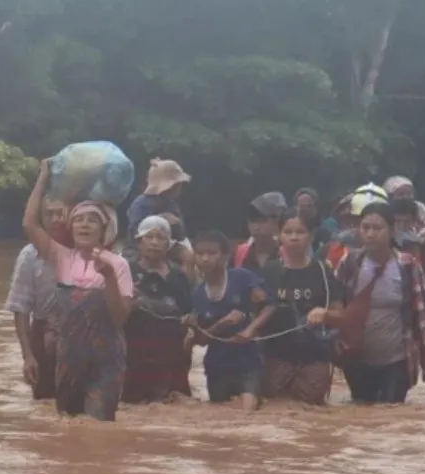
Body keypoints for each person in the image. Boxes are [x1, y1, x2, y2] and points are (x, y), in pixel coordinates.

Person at [23, 160, 133, 421]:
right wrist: (43, 177)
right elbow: (29, 224)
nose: (85, 225)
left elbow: (120, 318)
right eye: (79, 220)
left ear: (104, 229)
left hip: (105, 362)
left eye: (92, 221)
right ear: (70, 229)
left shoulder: (117, 264)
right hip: (68, 359)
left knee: (98, 429)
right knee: (70, 428)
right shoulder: (62, 257)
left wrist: (108, 277)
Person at [331, 202, 425, 404]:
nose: (370, 234)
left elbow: (422, 320)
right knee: (361, 414)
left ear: (392, 231)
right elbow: (334, 307)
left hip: (396, 361)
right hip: (357, 359)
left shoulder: (408, 267)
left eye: (377, 228)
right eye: (365, 227)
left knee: (391, 413)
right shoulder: (350, 264)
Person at [260, 210, 342, 406]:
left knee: (311, 413)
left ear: (311, 236)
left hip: (314, 359)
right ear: (279, 236)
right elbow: (256, 313)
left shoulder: (323, 271)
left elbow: (341, 314)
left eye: (300, 232)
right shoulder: (269, 271)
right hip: (275, 359)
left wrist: (325, 314)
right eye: (288, 232)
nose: (294, 237)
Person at [189, 230, 276, 411]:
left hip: (248, 361)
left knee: (247, 413)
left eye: (212, 253)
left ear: (225, 256)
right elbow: (201, 341)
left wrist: (250, 329)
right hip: (216, 365)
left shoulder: (242, 278)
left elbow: (270, 306)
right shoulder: (197, 294)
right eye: (200, 253)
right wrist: (223, 324)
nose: (205, 259)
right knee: (222, 416)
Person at [121, 216, 193, 403]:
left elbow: (189, 314)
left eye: (160, 238)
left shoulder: (179, 276)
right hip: (135, 357)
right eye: (149, 237)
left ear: (168, 244)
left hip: (171, 358)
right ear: (138, 242)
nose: (154, 243)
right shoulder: (125, 272)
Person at [6, 195, 67, 400]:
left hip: (80, 334)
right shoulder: (29, 255)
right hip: (43, 335)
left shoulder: (87, 250)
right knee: (45, 404)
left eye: (61, 213)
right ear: (41, 219)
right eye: (49, 214)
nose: (56, 219)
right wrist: (28, 356)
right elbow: (20, 307)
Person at [324, 184, 388, 271]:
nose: (370, 233)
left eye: (377, 227)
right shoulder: (339, 249)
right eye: (365, 225)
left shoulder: (402, 259)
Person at [126, 158, 191, 238]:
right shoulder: (141, 204)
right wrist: (158, 221)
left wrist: (176, 224)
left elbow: (181, 236)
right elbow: (134, 232)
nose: (180, 188)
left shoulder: (172, 206)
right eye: (178, 185)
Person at [233, 192, 287, 275]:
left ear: (275, 223)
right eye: (252, 221)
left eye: (262, 221)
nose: (256, 227)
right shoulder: (241, 252)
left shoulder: (286, 253)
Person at [382, 176, 425, 247]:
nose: (405, 197)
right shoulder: (384, 208)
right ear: (390, 196)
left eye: (409, 193)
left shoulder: (417, 206)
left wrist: (415, 240)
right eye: (401, 194)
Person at [294, 188, 336, 253]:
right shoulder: (289, 234)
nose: (306, 210)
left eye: (309, 206)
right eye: (301, 206)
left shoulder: (325, 234)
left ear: (315, 208)